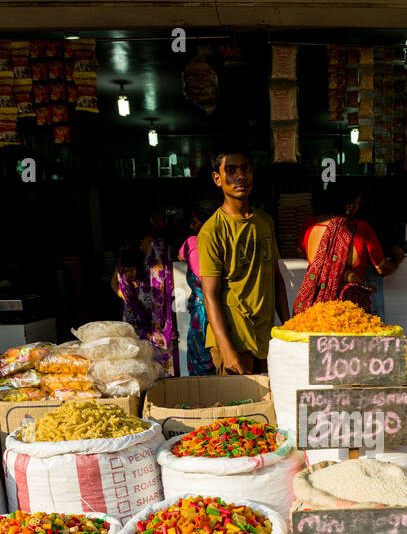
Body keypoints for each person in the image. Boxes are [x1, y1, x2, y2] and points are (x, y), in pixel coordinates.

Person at [198, 146, 289, 374]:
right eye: (231, 170)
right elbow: (209, 295)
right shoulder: (212, 231)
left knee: (270, 404)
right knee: (240, 407)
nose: (240, 176)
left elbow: (276, 278)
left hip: (265, 335)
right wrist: (226, 349)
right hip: (234, 336)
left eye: (245, 169)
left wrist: (289, 328)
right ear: (217, 179)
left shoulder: (265, 221)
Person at [295, 185, 405, 314]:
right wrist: (396, 260)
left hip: (316, 306)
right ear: (349, 206)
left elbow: (301, 252)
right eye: (357, 203)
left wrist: (326, 269)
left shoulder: (310, 225)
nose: (358, 207)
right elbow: (382, 268)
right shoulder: (361, 229)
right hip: (350, 308)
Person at [113, 207, 176, 375]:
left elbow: (115, 285)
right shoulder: (162, 246)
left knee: (139, 370)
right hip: (159, 323)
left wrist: (134, 299)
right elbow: (171, 285)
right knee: (161, 371)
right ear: (152, 221)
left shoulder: (125, 250)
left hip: (133, 318)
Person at [178, 198, 222, 376]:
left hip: (202, 315)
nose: (191, 226)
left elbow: (181, 257)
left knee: (201, 361)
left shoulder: (191, 242)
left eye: (194, 222)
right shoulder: (222, 242)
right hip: (220, 310)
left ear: (205, 224)